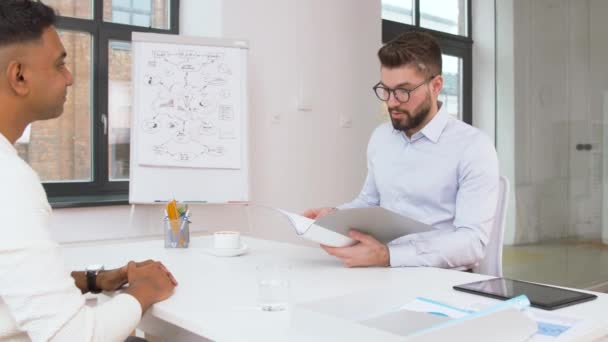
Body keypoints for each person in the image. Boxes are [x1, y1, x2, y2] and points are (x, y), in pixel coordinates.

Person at [0, 1, 177, 340]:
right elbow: (72, 336)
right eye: (59, 64)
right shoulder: (8, 179)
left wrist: (95, 280)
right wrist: (143, 291)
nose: (69, 78)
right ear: (19, 76)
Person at [304, 31, 499, 270]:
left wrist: (390, 256)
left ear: (436, 85)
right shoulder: (381, 137)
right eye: (386, 90)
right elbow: (369, 201)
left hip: (441, 279)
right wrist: (334, 216)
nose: (393, 102)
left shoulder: (473, 147)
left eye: (403, 91)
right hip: (381, 269)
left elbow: (472, 242)